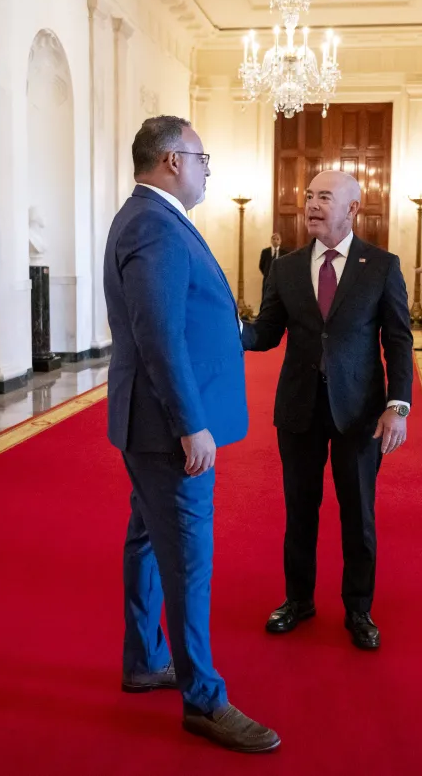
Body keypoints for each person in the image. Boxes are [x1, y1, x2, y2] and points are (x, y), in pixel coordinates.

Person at [104, 116, 279, 753]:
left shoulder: (151, 218)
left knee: (148, 543)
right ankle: (204, 699)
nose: (208, 168)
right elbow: (158, 334)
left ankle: (145, 659)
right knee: (188, 561)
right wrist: (191, 425)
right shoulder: (153, 224)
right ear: (174, 160)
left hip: (147, 423)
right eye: (204, 157)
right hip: (166, 428)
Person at [240, 170, 414, 651]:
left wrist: (397, 406)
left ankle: (358, 608)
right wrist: (230, 330)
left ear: (352, 209)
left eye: (324, 197)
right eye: (309, 195)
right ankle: (298, 600)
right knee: (300, 511)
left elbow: (398, 340)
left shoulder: (380, 266)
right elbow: (267, 332)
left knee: (358, 513)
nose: (312, 205)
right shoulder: (287, 267)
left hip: (360, 413)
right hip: (298, 410)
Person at [259, 232, 286, 312]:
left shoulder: (285, 253)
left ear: (280, 241)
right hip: (267, 280)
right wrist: (268, 275)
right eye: (274, 239)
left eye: (277, 239)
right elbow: (261, 265)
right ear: (271, 240)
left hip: (280, 281)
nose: (275, 241)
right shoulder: (265, 252)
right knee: (265, 299)